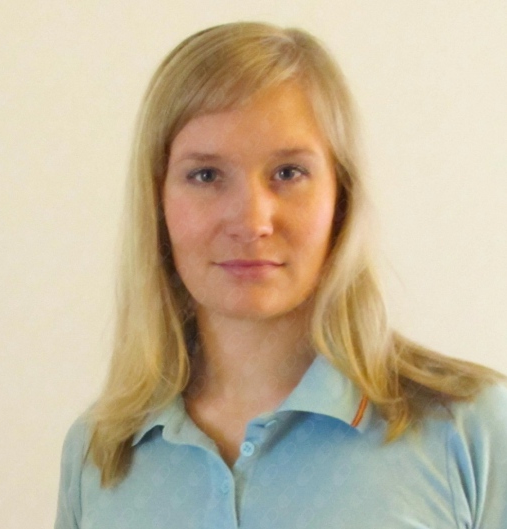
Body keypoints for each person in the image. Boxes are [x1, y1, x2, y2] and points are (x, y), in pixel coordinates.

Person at [55, 22, 507, 529]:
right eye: (206, 175)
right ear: (157, 201)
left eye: (288, 173)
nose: (252, 222)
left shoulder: (470, 431)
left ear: (341, 197)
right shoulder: (100, 454)